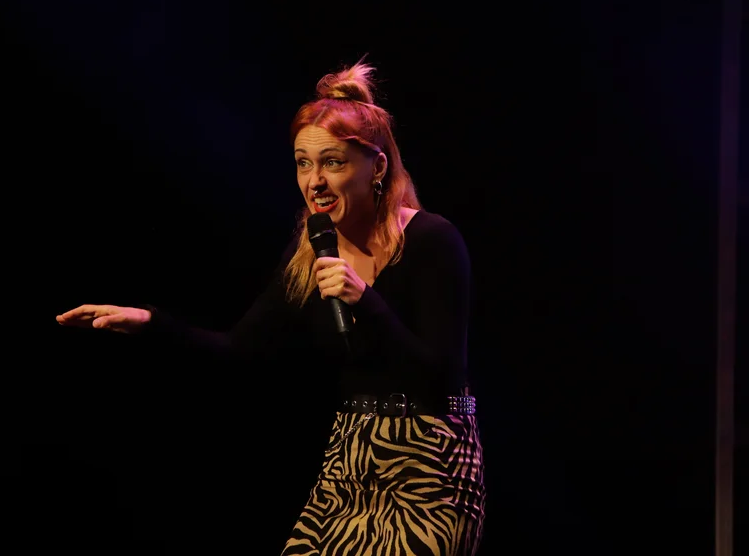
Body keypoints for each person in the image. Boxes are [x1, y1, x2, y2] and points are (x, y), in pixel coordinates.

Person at [56, 59, 486, 555]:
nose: (314, 181)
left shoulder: (432, 240)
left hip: (430, 466)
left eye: (333, 162)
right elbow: (239, 350)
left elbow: (442, 375)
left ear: (378, 167)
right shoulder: (308, 251)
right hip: (349, 463)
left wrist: (367, 303)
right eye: (303, 163)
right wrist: (151, 323)